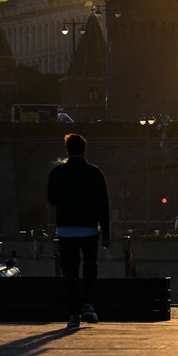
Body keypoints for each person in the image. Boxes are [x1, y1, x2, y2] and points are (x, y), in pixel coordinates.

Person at [46, 132, 111, 328]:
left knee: (70, 273)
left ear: (67, 150)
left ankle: (74, 313)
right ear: (84, 149)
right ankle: (89, 305)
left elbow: (52, 200)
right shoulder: (95, 173)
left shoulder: (57, 173)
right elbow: (103, 205)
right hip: (89, 229)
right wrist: (106, 233)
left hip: (65, 229)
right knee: (90, 268)